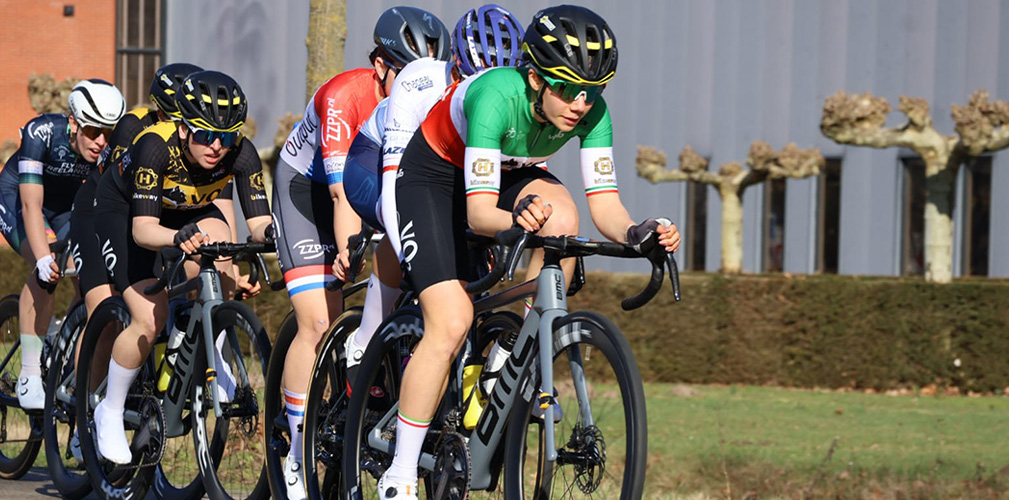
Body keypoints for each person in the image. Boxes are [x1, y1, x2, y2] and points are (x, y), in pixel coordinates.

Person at [379, 6, 682, 499]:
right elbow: (479, 214)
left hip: (507, 170)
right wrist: (515, 219)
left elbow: (605, 204)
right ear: (536, 77)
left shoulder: (592, 112)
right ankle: (401, 474)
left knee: (564, 219)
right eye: (566, 88)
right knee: (451, 320)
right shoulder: (496, 95)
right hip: (435, 177)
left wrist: (639, 231)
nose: (580, 104)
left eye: (594, 90)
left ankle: (509, 349)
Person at [270, 6, 450, 499]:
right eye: (406, 72)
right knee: (318, 319)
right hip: (308, 190)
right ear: (380, 66)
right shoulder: (344, 97)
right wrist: (350, 248)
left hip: (369, 184)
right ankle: (297, 448)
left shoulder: (425, 99)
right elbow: (340, 195)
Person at [340, 3, 525, 396]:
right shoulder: (419, 80)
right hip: (373, 162)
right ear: (455, 68)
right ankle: (364, 342)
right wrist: (413, 250)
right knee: (405, 230)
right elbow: (396, 189)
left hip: (444, 170)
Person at [91, 71, 272, 465]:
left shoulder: (239, 153)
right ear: (184, 127)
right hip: (126, 214)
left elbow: (256, 223)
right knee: (148, 316)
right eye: (206, 135)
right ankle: (109, 408)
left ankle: (209, 348)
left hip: (186, 209)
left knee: (221, 255)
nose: (217, 147)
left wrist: (272, 234)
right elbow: (143, 230)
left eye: (227, 137)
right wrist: (177, 240)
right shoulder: (155, 146)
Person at [0, 79, 125, 410]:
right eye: (93, 131)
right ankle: (28, 372)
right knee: (49, 268)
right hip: (20, 200)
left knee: (90, 282)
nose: (101, 141)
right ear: (73, 122)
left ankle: (65, 349)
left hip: (69, 207)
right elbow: (31, 205)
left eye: (109, 133)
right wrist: (41, 257)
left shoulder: (111, 149)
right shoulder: (42, 132)